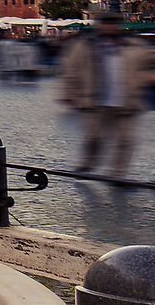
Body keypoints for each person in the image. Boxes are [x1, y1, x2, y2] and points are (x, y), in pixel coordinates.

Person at [60, 13, 153, 181]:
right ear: (100, 25)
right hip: (97, 100)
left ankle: (118, 175)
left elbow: (150, 63)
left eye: (114, 24)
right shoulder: (86, 46)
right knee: (94, 137)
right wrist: (69, 94)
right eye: (107, 24)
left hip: (128, 101)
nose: (111, 27)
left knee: (126, 140)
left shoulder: (134, 45)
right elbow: (71, 70)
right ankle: (87, 163)